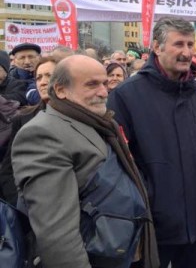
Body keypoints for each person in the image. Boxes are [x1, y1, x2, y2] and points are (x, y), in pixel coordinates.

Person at [11, 55, 158, 268]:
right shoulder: (43, 134)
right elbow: (58, 236)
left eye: (104, 83)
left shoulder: (97, 122)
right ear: (60, 90)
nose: (103, 92)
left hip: (120, 255)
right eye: (91, 85)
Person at [108, 16, 196, 268]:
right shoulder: (126, 96)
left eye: (190, 44)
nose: (187, 52)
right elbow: (117, 159)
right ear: (157, 46)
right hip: (152, 224)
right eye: (179, 44)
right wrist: (148, 197)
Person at [0, 56, 58, 204]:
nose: (43, 82)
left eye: (49, 76)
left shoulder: (80, 118)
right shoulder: (23, 118)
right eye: (38, 77)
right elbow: (9, 169)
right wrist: (20, 203)